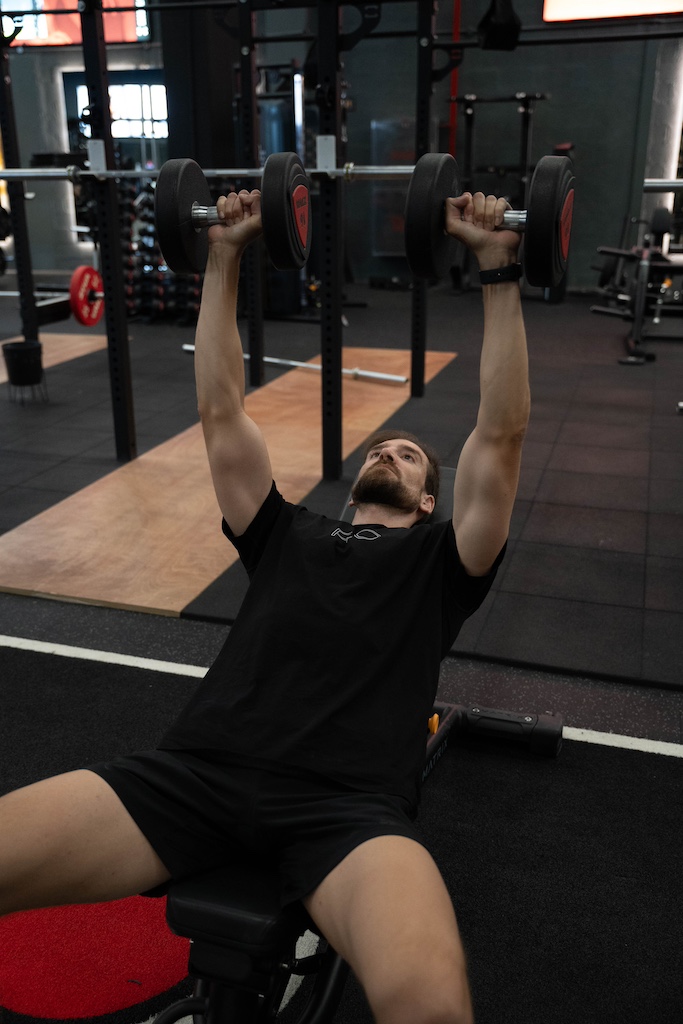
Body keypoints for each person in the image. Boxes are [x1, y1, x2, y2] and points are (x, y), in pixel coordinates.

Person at [0, 184, 529, 1024]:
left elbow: (499, 437)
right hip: (193, 776)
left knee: (428, 1000)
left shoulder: (444, 561)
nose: (392, 448)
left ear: (430, 501)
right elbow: (219, 410)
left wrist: (498, 266)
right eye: (384, 444)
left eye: (412, 455)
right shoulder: (284, 532)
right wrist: (223, 253)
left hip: (347, 810)